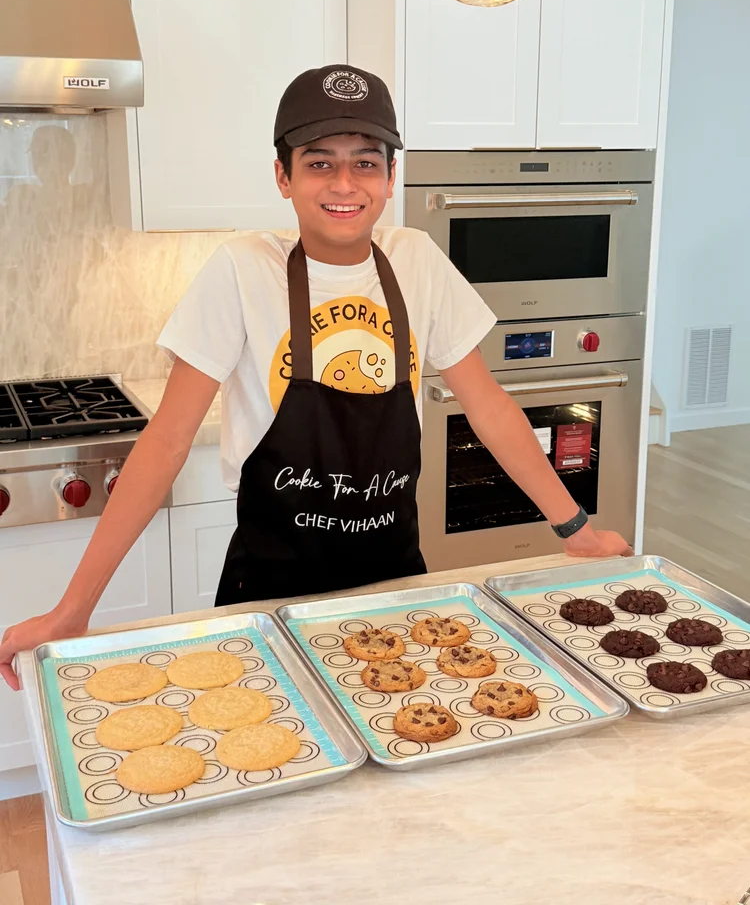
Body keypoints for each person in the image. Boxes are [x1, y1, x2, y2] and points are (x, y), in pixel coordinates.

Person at [0, 64, 632, 691]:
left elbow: (488, 407)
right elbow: (165, 442)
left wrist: (576, 531)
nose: (344, 183)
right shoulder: (242, 270)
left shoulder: (416, 261)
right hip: (269, 594)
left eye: (365, 161)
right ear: (284, 176)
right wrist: (72, 610)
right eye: (319, 161)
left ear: (389, 178)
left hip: (394, 583)